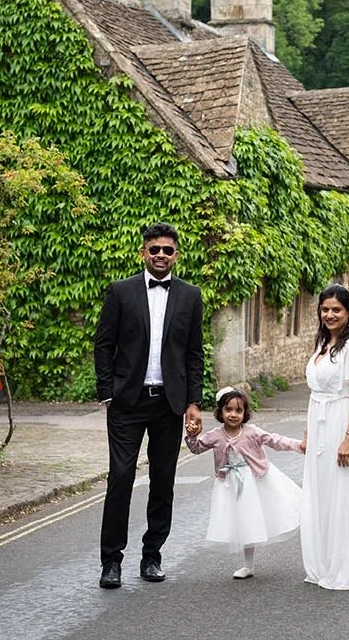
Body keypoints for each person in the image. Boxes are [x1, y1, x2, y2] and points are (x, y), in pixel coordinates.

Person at [94, 222, 204, 588]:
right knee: (121, 478)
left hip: (169, 404)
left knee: (163, 482)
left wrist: (193, 402)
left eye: (167, 250)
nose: (160, 255)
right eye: (154, 249)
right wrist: (107, 392)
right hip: (127, 402)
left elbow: (193, 354)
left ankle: (152, 555)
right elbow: (103, 345)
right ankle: (111, 562)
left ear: (176, 255)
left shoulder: (190, 296)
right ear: (143, 252)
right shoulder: (121, 292)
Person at [300, 283, 349, 590]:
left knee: (343, 493)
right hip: (318, 422)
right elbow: (315, 391)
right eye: (325, 310)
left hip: (340, 421)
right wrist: (308, 431)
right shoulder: (322, 342)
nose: (330, 315)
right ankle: (323, 563)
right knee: (321, 494)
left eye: (336, 310)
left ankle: (347, 567)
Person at [185, 386, 305, 579]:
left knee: (255, 518)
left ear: (245, 413)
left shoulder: (251, 432)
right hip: (229, 484)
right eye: (228, 409)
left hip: (254, 480)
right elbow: (197, 448)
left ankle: (250, 564)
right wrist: (192, 435)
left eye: (238, 410)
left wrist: (299, 445)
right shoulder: (215, 435)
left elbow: (275, 440)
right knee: (241, 521)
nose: (233, 414)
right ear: (220, 412)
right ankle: (248, 565)